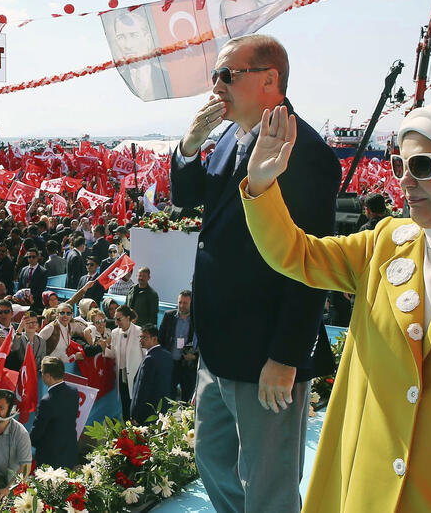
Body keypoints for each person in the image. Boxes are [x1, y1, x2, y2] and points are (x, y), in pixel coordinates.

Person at [241, 93, 431, 512]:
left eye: (421, 166)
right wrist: (261, 185)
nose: (403, 180)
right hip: (369, 496)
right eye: (400, 165)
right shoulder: (384, 242)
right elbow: (296, 255)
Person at [170, 34, 340, 512]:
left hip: (266, 352)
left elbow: (312, 264)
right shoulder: (230, 136)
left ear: (270, 80)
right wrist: (188, 146)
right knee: (212, 462)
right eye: (215, 76)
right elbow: (189, 200)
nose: (217, 85)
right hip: (220, 347)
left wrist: (286, 356)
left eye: (228, 74)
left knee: (267, 485)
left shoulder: (302, 150)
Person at [29, 356, 79, 469]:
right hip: (69, 451)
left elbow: (38, 430)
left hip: (50, 456)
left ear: (48, 376)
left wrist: (28, 443)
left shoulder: (47, 401)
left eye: (41, 372)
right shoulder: (74, 391)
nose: (41, 374)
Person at [158, 290, 198, 402]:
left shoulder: (197, 320)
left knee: (187, 397)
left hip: (188, 366)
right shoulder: (169, 316)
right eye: (180, 302)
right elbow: (161, 338)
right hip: (171, 364)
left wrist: (195, 357)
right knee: (168, 397)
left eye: (185, 303)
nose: (181, 306)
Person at [130, 324, 173, 423]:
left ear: (154, 339)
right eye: (140, 337)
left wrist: (135, 414)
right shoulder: (168, 355)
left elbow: (142, 389)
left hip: (147, 413)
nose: (141, 340)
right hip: (162, 411)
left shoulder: (149, 359)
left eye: (144, 337)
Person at [111, 306, 143, 420]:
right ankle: (126, 431)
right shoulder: (115, 333)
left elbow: (146, 354)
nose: (116, 322)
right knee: (125, 403)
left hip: (137, 374)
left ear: (128, 318)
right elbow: (113, 353)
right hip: (121, 373)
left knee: (136, 404)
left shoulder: (139, 331)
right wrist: (104, 348)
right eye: (115, 319)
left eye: (119, 319)